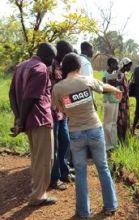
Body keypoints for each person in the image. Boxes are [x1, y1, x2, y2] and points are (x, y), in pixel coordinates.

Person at [52, 53, 120, 217]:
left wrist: (70, 111)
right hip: (95, 130)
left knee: (81, 172)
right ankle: (110, 206)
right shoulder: (86, 80)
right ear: (78, 67)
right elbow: (104, 87)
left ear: (64, 68)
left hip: (75, 132)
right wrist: (117, 89)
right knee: (102, 168)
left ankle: (83, 212)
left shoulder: (58, 88)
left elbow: (60, 109)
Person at [9, 43, 56, 206]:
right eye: (53, 58)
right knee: (44, 159)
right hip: (40, 119)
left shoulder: (21, 66)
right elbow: (30, 97)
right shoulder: (41, 68)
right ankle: (38, 196)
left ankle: (36, 189)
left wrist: (19, 119)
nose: (53, 61)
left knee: (36, 157)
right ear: (48, 56)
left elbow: (12, 95)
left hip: (29, 120)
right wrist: (20, 121)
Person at [49, 40, 74, 190]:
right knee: (55, 146)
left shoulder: (61, 66)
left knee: (65, 141)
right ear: (60, 52)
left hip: (62, 113)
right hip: (52, 112)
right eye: (66, 53)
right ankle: (55, 177)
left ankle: (64, 171)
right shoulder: (50, 65)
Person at [103, 57, 120, 150]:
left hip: (115, 101)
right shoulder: (105, 75)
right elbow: (103, 89)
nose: (117, 66)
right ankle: (107, 145)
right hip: (109, 101)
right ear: (110, 64)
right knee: (107, 124)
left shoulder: (114, 74)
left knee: (113, 123)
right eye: (115, 64)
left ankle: (113, 144)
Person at [117, 57, 132, 142]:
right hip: (121, 102)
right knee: (121, 120)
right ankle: (121, 138)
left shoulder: (124, 75)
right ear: (124, 65)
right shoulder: (119, 75)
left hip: (125, 101)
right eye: (129, 66)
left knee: (124, 119)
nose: (130, 68)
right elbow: (120, 89)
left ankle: (124, 137)